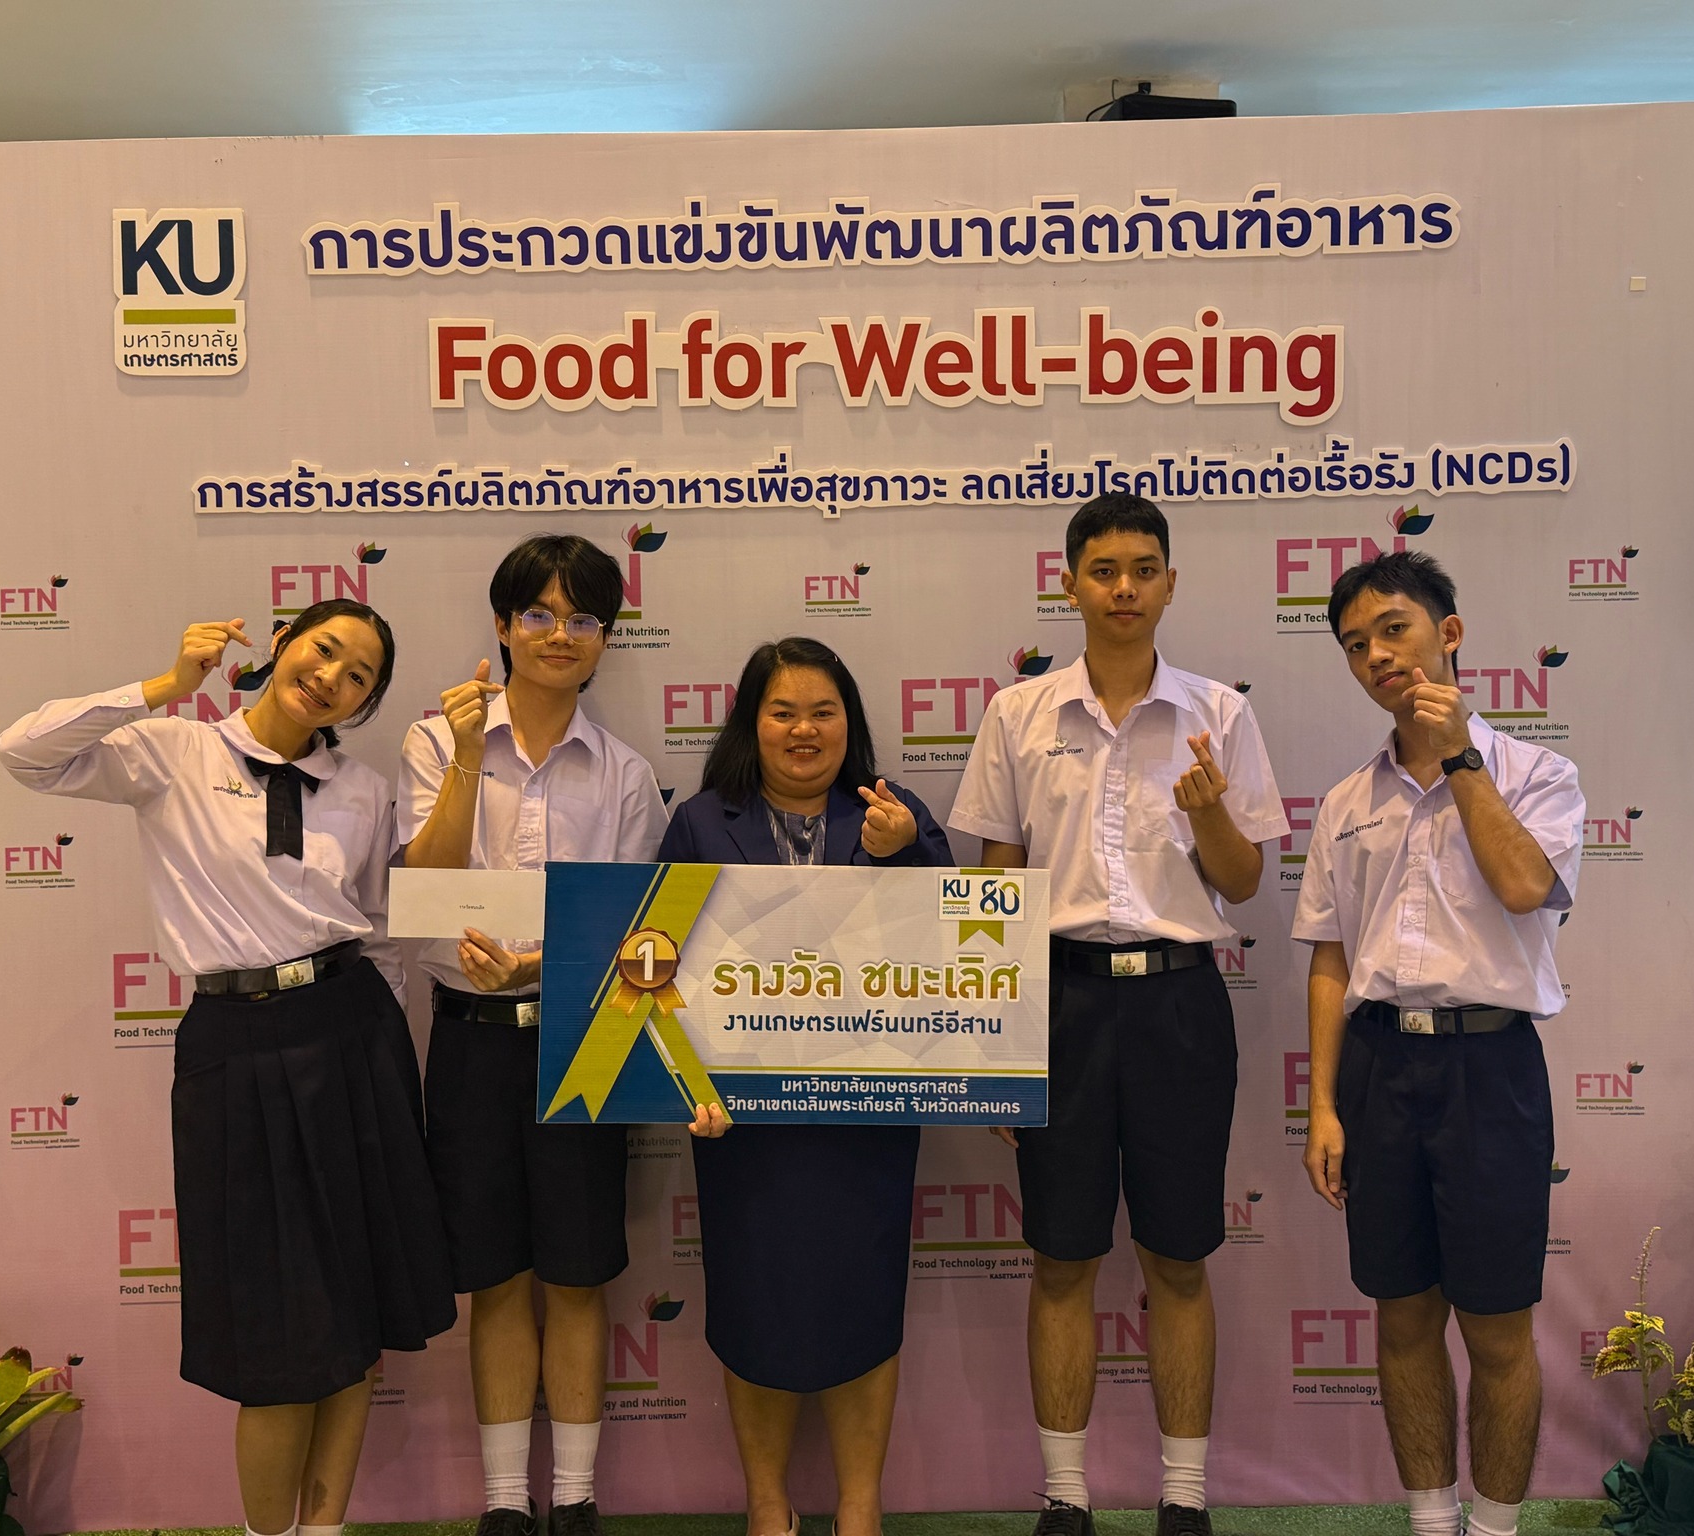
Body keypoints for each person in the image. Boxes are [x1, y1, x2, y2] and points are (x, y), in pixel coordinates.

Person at [0, 600, 453, 1536]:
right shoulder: (174, 750)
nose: (332, 678)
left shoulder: (363, 790)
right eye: (324, 650)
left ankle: (324, 1531)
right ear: (282, 644)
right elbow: (23, 752)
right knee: (276, 1337)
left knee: (358, 1313)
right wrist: (165, 686)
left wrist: (390, 1059)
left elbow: (379, 934)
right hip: (234, 1046)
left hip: (355, 1035)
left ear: (364, 703)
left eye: (359, 676)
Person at [949, 494, 1287, 1536]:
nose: (1124, 588)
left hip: (1181, 1002)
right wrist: (994, 1044)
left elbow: (1243, 881)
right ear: (1070, 584)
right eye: (1103, 570)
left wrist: (1208, 814)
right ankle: (1064, 1498)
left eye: (1144, 569)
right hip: (1057, 1002)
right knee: (1061, 1258)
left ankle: (1183, 1499)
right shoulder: (1018, 714)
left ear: (1170, 583)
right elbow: (993, 892)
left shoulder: (1218, 715)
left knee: (1177, 1258)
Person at [1293, 551, 1583, 1536]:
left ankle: (1493, 1527)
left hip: (1489, 1069)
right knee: (1402, 1315)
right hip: (1378, 1069)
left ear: (1447, 634)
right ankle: (1429, 1519)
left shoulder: (1538, 774)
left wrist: (1460, 757)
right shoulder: (1346, 802)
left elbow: (1524, 887)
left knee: (1497, 1328)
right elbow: (1329, 963)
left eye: (1393, 630)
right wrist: (1322, 1105)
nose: (1376, 656)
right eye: (1355, 645)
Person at [397, 535, 668, 1536]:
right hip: (469, 1042)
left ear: (605, 639)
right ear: (504, 627)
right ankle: (506, 1503)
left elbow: (636, 944)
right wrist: (472, 753)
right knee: (498, 1279)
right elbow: (422, 890)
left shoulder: (626, 774)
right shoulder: (437, 741)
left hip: (583, 1039)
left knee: (578, 1275)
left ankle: (577, 1499)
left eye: (583, 618)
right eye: (541, 615)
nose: (561, 634)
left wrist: (536, 969)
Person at [660, 637, 952, 1536]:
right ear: (751, 723)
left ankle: (861, 1506)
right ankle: (768, 1505)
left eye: (823, 712)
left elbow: (959, 955)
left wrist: (903, 855)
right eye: (782, 711)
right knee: (755, 1302)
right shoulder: (700, 822)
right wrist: (687, 1087)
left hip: (869, 1116)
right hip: (742, 1125)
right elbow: (654, 967)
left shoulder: (896, 813)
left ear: (849, 725)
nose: (803, 729)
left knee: (865, 1298)